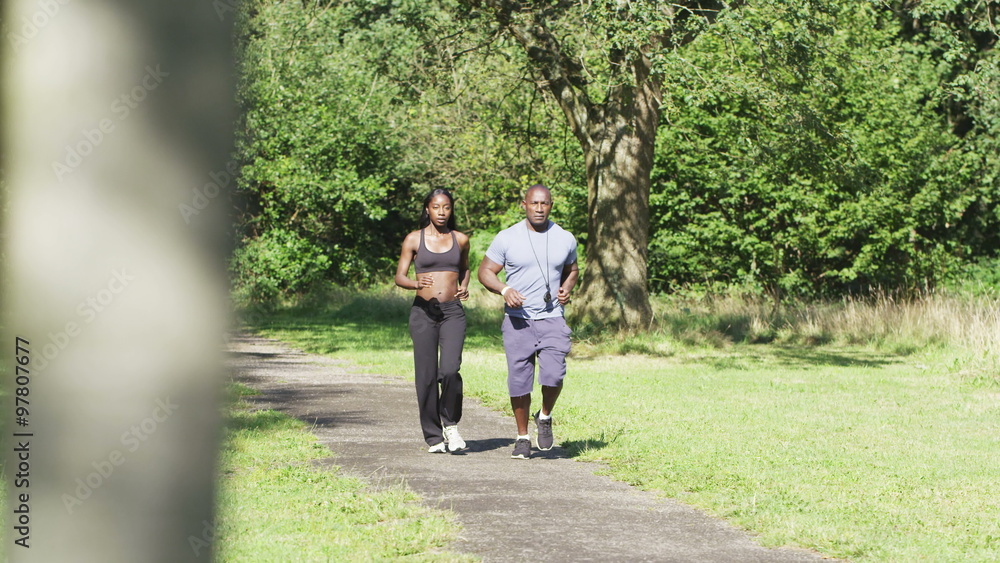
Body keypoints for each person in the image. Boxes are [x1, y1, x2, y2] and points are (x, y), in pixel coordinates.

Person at [478, 184, 579, 459]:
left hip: (552, 318)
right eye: (534, 203)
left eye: (544, 203)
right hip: (518, 321)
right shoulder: (507, 237)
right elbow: (485, 271)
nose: (539, 208)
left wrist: (567, 288)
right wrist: (505, 290)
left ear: (551, 205)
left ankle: (544, 416)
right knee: (519, 382)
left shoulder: (565, 238)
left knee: (554, 374)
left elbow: (572, 269)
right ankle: (522, 437)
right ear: (524, 205)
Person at [395, 188, 471, 453]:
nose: (441, 212)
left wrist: (464, 286)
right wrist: (415, 283)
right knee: (426, 376)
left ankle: (451, 424)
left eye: (446, 207)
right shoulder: (413, 239)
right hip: (423, 312)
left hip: (452, 312)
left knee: (450, 369)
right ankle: (434, 436)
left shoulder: (460, 239)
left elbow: (465, 268)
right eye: (436, 207)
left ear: (451, 210)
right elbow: (399, 276)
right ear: (427, 209)